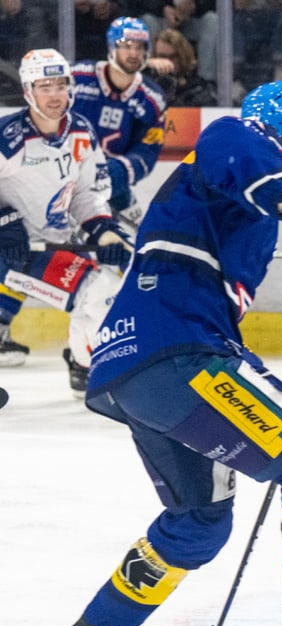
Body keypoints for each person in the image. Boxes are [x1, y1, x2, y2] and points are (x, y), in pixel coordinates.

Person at [45, 80, 282, 626]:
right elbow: (254, 165)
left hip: (137, 364)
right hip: (177, 348)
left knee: (199, 520)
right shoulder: (233, 137)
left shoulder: (230, 199)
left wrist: (253, 376)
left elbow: (216, 287)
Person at [0, 48, 132, 390]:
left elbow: (87, 194)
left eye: (61, 85)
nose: (55, 95)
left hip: (51, 244)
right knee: (98, 290)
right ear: (28, 91)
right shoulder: (7, 138)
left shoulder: (82, 132)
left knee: (106, 286)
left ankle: (83, 364)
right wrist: (5, 220)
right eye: (45, 87)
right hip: (10, 248)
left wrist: (103, 230)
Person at [72, 16, 167, 228]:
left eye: (139, 47)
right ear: (111, 46)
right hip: (64, 174)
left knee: (133, 239)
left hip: (113, 185)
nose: (133, 53)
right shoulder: (77, 77)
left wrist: (112, 174)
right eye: (126, 46)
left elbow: (147, 153)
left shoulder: (152, 98)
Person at [144, 26, 216, 106]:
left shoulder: (197, 89)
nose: (168, 62)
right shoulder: (145, 84)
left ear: (183, 57)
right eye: (162, 56)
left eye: (173, 57)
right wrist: (146, 63)